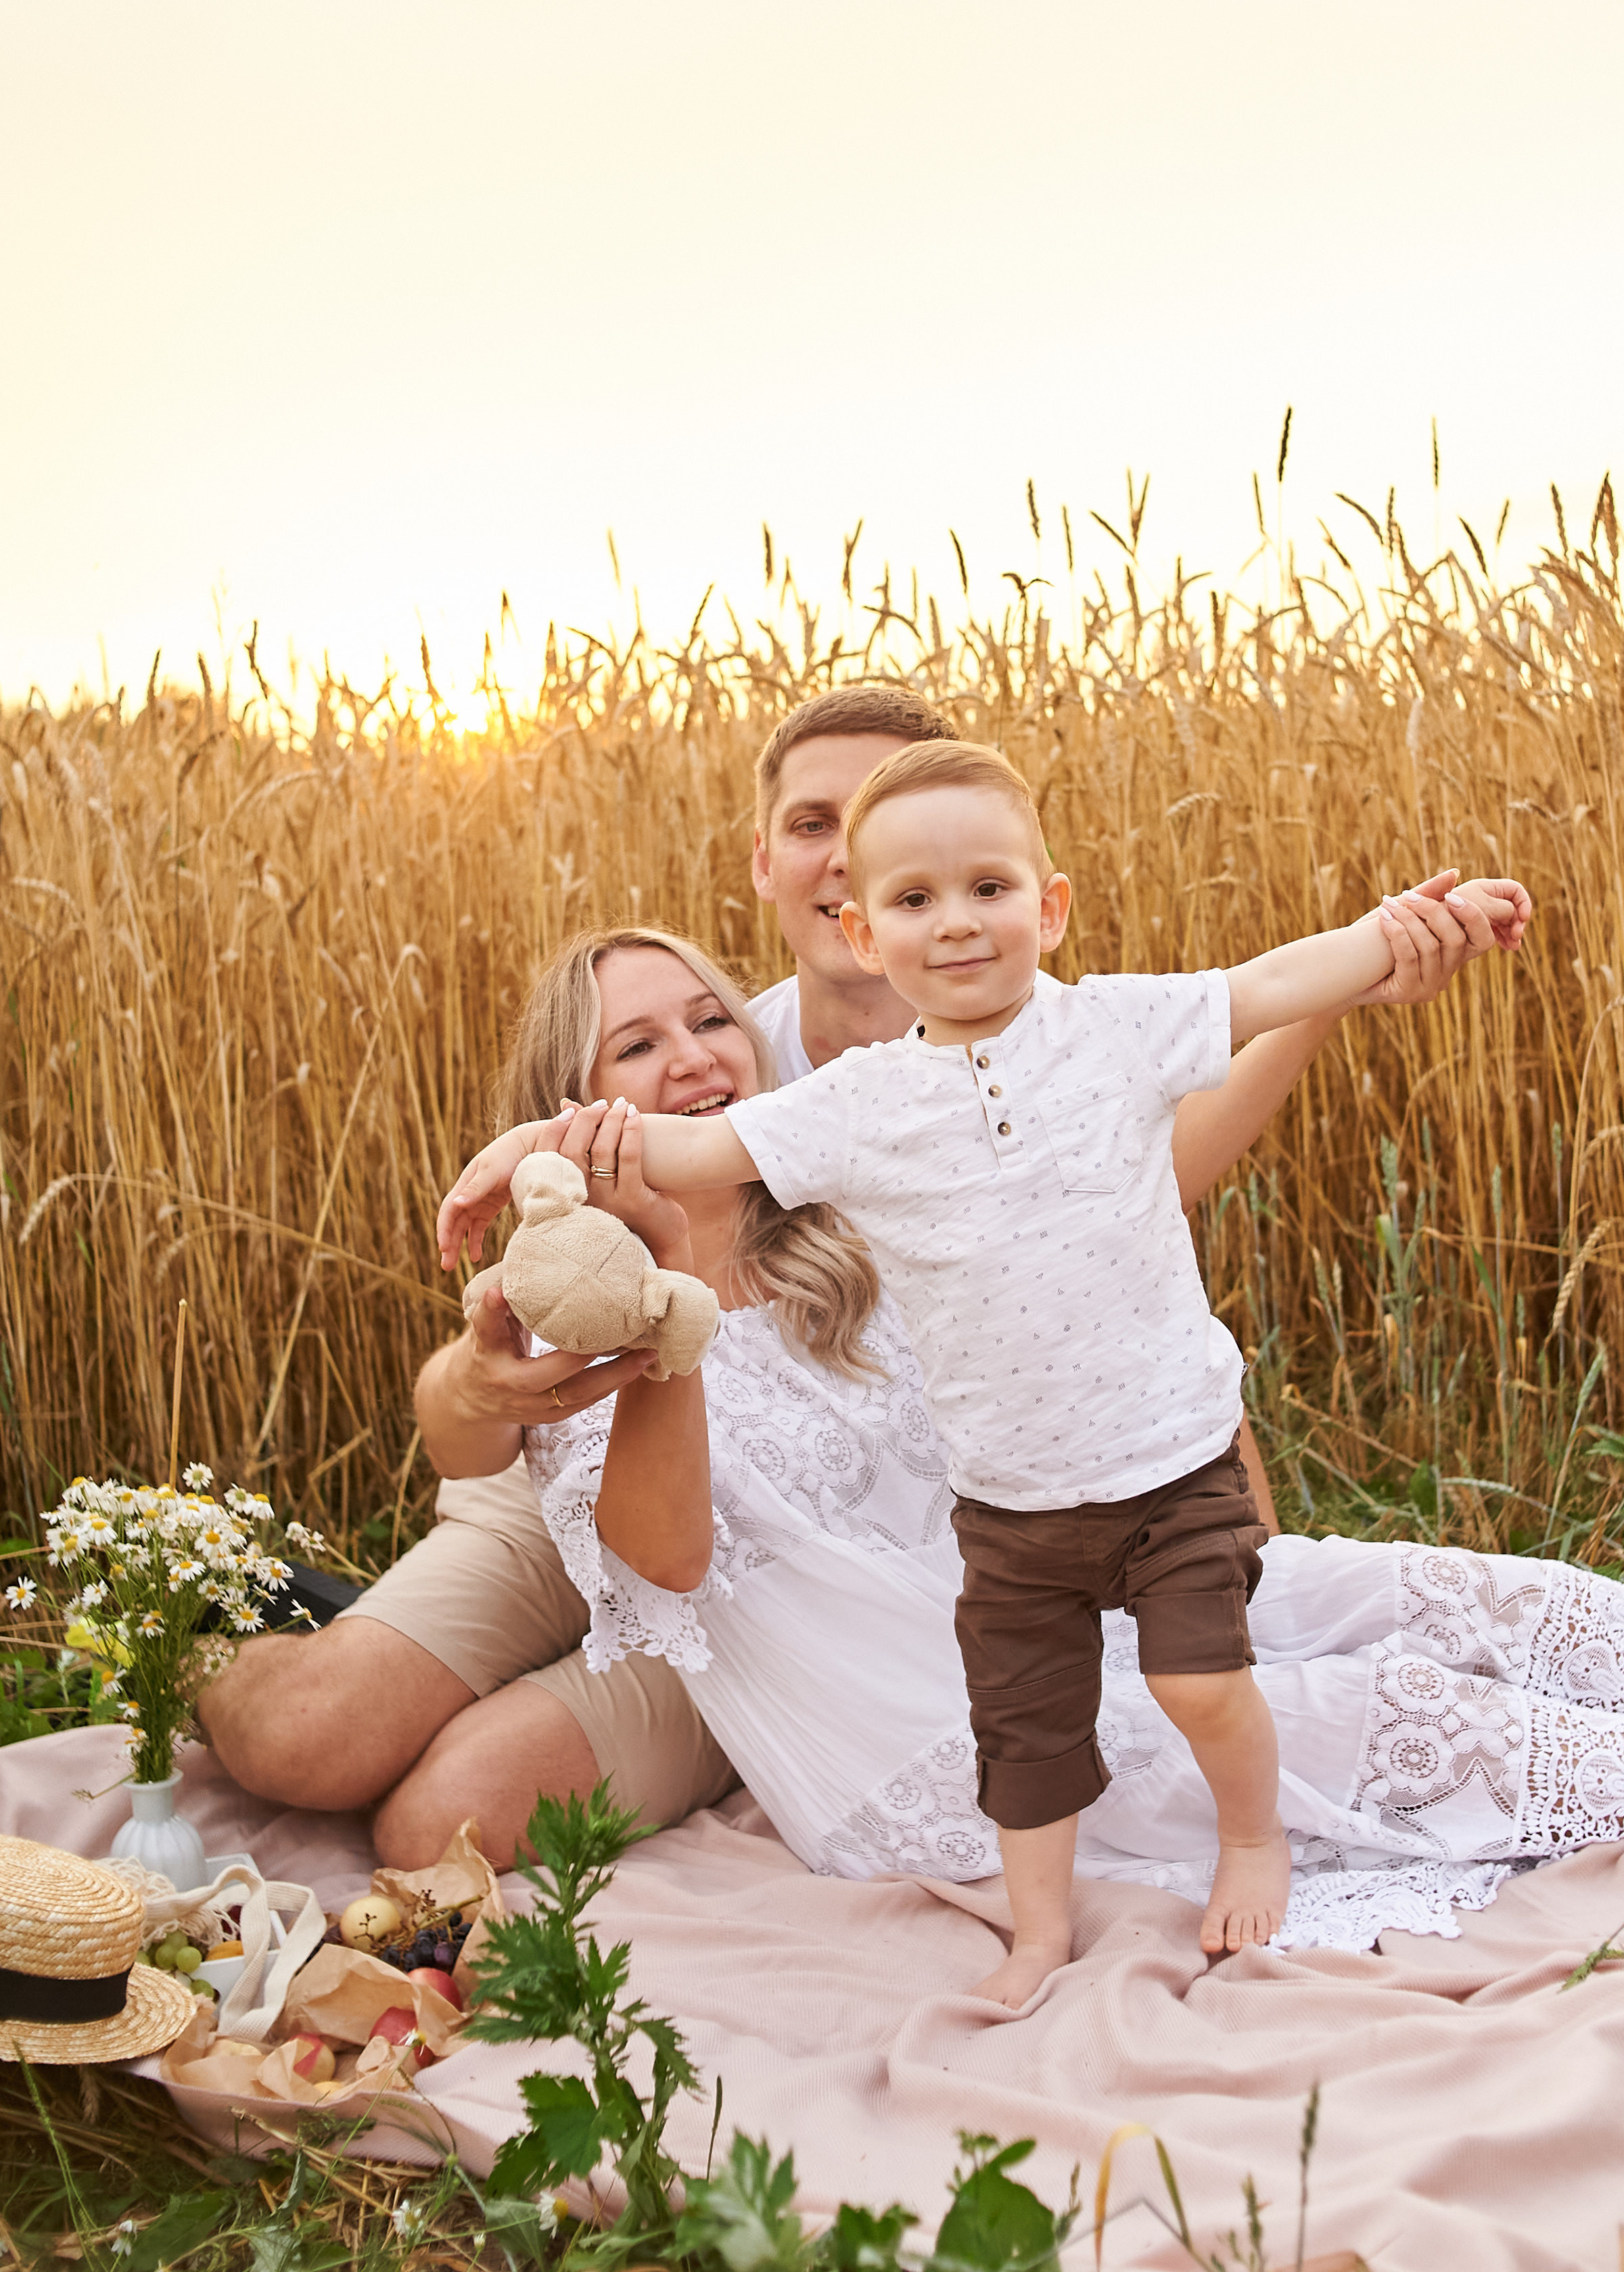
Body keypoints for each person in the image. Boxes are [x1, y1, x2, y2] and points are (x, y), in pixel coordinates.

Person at [200, 685, 1500, 1869]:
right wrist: (487, 1368)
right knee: (311, 1732)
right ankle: (230, 1610)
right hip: (560, 1480)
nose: (850, 852)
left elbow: (1122, 1226)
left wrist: (1335, 991)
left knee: (445, 1815)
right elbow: (477, 1399)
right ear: (774, 865)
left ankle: (603, 1712)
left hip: (786, 1557)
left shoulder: (952, 1054)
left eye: (883, 819)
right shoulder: (730, 1051)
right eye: (815, 821)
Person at [438, 745, 1533, 2002]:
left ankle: (1256, 1820)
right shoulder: (810, 1146)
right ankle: (1053, 1927)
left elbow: (1265, 990)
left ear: (1047, 904)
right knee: (1180, 1728)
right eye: (633, 1044)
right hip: (937, 1663)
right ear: (864, 928)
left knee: (1412, 1621)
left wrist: (1399, 931)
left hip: (1121, 1520)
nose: (953, 924)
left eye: (703, 1020)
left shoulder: (1011, 1080)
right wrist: (531, 1158)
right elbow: (681, 1161)